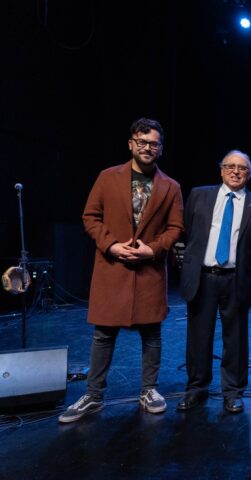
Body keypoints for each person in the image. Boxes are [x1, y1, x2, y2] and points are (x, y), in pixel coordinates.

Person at [59, 118, 183, 423]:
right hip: (112, 267)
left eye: (153, 143)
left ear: (161, 149)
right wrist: (112, 246)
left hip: (149, 270)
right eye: (142, 142)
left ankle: (149, 390)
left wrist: (153, 249)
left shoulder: (171, 186)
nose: (147, 148)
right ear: (131, 144)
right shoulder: (107, 177)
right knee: (103, 334)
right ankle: (94, 395)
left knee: (151, 334)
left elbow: (175, 227)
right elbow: (91, 217)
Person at [177, 151, 251, 414]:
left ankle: (233, 392)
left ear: (249, 175)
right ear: (221, 170)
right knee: (198, 337)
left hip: (236, 279)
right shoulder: (199, 195)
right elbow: (188, 229)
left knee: (236, 338)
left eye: (242, 168)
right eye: (230, 166)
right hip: (203, 277)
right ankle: (196, 389)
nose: (236, 171)